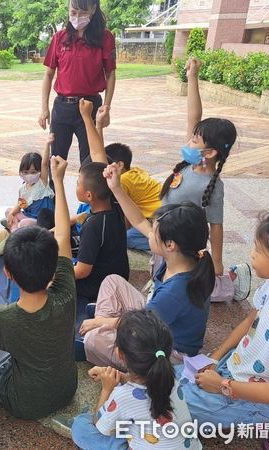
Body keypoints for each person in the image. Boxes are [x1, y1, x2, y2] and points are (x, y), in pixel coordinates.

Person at [0, 156, 77, 420]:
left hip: (23, 401)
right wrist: (58, 180)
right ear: (53, 269)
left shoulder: (3, 316)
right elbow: (62, 235)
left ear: (8, 273)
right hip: (67, 388)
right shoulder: (66, 293)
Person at [180, 210, 269, 450]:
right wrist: (215, 355)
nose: (251, 255)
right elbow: (249, 323)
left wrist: (223, 386)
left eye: (258, 251)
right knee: (170, 379)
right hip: (232, 368)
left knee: (171, 404)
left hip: (258, 400)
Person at [80, 163, 214, 369]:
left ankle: (107, 331)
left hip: (168, 352)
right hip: (155, 320)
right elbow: (138, 220)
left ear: (170, 245)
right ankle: (109, 324)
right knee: (113, 281)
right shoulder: (182, 259)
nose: (149, 231)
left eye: (155, 230)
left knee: (92, 339)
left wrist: (100, 323)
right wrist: (116, 188)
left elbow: (141, 323)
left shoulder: (176, 290)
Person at [160, 58, 251, 302]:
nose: (188, 143)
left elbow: (216, 225)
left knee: (190, 290)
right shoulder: (193, 163)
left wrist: (218, 263)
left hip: (182, 244)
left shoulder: (212, 186)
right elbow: (194, 114)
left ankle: (231, 282)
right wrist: (192, 77)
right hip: (163, 233)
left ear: (209, 153)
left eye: (194, 142)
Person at [72, 310, 203, 450]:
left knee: (81, 426)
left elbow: (99, 425)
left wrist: (107, 388)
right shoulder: (171, 377)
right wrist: (119, 376)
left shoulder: (122, 396)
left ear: (119, 354)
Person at [78, 99, 161, 252]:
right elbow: (98, 155)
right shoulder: (135, 172)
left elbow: (98, 155)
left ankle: (163, 245)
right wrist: (97, 125)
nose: (108, 169)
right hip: (161, 218)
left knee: (127, 237)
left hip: (159, 223)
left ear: (120, 165)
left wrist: (87, 118)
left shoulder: (122, 181)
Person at [39, 0, 116, 165]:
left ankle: (89, 192)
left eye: (82, 13)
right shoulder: (60, 38)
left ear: (93, 9)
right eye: (73, 13)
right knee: (56, 160)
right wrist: (44, 108)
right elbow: (48, 74)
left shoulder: (105, 38)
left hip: (90, 107)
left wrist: (107, 107)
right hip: (62, 107)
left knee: (91, 162)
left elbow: (110, 74)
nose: (77, 17)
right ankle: (54, 191)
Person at [74, 160, 129, 327]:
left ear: (89, 195)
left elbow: (82, 271)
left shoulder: (93, 226)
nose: (75, 186)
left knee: (61, 274)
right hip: (119, 276)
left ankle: (94, 309)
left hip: (97, 286)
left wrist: (57, 272)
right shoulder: (117, 208)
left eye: (77, 184)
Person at [3, 133, 54, 231]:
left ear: (39, 172)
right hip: (27, 216)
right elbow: (20, 205)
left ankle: (15, 228)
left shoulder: (41, 183)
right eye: (25, 172)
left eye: (33, 172)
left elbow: (44, 163)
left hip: (38, 221)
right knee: (9, 211)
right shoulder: (22, 189)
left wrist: (47, 144)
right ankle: (15, 229)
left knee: (24, 223)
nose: (29, 175)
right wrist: (11, 214)